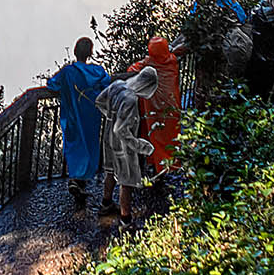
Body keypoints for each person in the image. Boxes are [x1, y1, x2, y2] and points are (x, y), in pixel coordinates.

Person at [45, 37, 111, 207]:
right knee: (89, 146)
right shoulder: (97, 71)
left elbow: (52, 84)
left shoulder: (68, 72)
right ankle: (80, 181)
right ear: (90, 52)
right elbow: (106, 81)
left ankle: (75, 179)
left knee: (75, 147)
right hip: (92, 116)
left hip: (73, 117)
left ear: (75, 51)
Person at [96, 66, 159, 227]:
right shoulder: (131, 99)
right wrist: (140, 146)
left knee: (109, 170)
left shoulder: (117, 84)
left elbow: (99, 101)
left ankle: (106, 203)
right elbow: (121, 129)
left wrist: (111, 115)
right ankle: (126, 219)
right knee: (127, 180)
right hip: (122, 144)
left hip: (108, 136)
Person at [128, 37, 182, 172]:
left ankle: (159, 165)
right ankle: (173, 162)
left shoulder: (148, 63)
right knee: (172, 134)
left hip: (154, 108)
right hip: (172, 104)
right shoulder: (172, 61)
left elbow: (131, 70)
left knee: (156, 136)